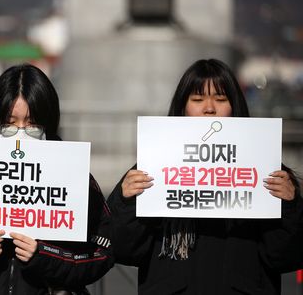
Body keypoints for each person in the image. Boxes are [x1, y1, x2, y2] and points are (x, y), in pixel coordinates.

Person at [107, 58, 303, 295]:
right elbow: (124, 250)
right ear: (183, 107)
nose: (209, 108)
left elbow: (285, 258)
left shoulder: (267, 170)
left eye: (221, 99)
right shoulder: (153, 167)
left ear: (235, 106)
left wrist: (290, 208)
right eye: (197, 99)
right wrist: (126, 203)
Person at [0, 64, 113, 294]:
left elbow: (103, 251)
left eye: (32, 123)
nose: (21, 132)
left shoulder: (73, 174)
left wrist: (45, 255)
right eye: (10, 122)